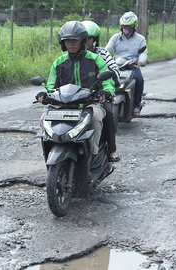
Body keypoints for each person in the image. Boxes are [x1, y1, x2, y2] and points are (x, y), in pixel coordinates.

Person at [36, 21, 115, 156]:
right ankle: (50, 151)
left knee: (96, 119)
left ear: (82, 41)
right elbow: (50, 85)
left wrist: (107, 92)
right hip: (64, 106)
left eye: (74, 40)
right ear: (63, 43)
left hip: (90, 103)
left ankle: (94, 155)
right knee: (44, 118)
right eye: (67, 41)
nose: (71, 44)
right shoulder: (59, 63)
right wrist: (45, 94)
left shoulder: (96, 60)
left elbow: (107, 81)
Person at [82, 20, 120, 162]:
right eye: (82, 39)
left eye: (88, 39)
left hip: (98, 97)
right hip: (76, 97)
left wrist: (105, 89)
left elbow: (115, 71)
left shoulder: (102, 54)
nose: (85, 42)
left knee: (108, 114)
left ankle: (111, 149)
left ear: (94, 40)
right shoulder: (73, 56)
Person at [105, 11, 147, 117]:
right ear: (121, 26)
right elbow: (107, 50)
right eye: (124, 26)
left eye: (129, 27)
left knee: (139, 80)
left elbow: (143, 53)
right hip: (116, 66)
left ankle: (136, 105)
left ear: (134, 27)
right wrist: (103, 57)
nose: (126, 29)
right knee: (104, 78)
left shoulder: (140, 39)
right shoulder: (115, 38)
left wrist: (141, 61)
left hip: (132, 66)